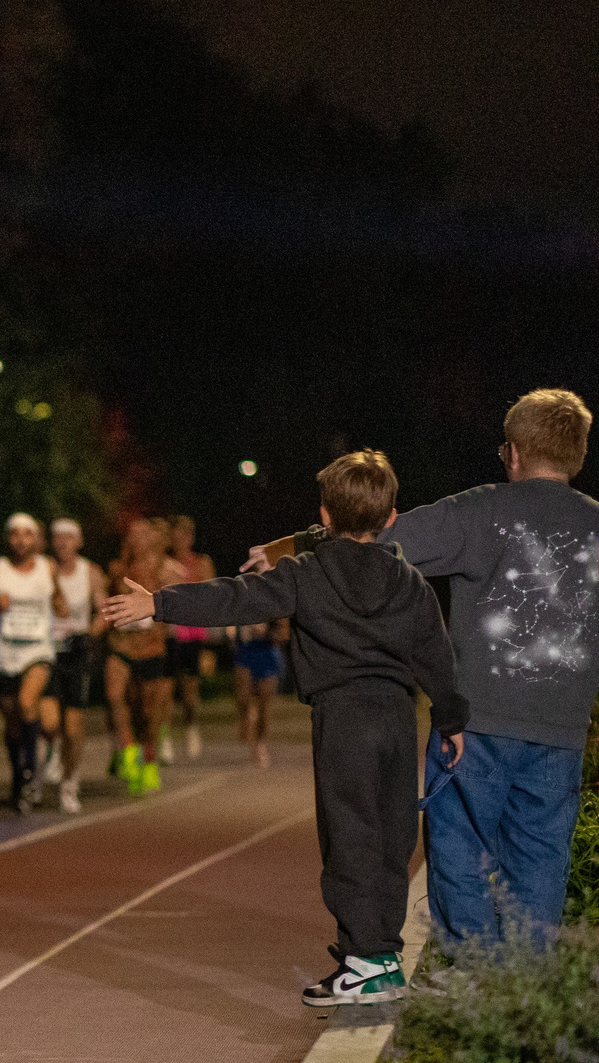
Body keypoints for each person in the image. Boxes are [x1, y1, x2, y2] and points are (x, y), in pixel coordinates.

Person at [106, 451, 466, 1005]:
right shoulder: (410, 581)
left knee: (348, 835)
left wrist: (159, 603)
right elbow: (435, 653)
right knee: (393, 835)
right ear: (393, 516)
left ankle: (363, 959)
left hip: (343, 717)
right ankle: (383, 956)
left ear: (323, 515)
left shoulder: (306, 573)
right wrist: (450, 717)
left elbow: (237, 597)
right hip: (396, 718)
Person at [245, 388, 598, 946]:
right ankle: (522, 995)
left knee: (459, 856)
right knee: (541, 866)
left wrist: (286, 547)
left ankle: (471, 990)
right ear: (577, 453)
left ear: (511, 452)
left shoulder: (478, 510)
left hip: (476, 726)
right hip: (562, 730)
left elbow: (367, 536)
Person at [0, 513, 65, 813]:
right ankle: (18, 774)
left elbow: (59, 602)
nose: (20, 540)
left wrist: (61, 607)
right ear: (8, 538)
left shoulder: (47, 567)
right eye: (15, 534)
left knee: (27, 703)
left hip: (37, 651)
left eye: (27, 534)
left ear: (36, 538)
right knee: (13, 723)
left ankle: (30, 774)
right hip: (4, 653)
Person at [38, 517, 109, 815]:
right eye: (59, 538)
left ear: (79, 542)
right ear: (53, 542)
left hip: (77, 652)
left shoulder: (90, 572)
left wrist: (91, 632)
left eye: (70, 538)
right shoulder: (44, 569)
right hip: (47, 650)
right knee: (49, 722)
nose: (64, 543)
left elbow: (104, 609)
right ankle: (52, 752)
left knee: (73, 726)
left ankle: (70, 783)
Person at [103, 516, 174, 795]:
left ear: (152, 539)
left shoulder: (164, 569)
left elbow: (179, 599)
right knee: (114, 696)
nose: (137, 539)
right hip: (121, 645)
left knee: (147, 712)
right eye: (132, 534)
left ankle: (149, 757)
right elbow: (106, 601)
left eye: (143, 534)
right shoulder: (117, 568)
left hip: (151, 648)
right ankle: (128, 751)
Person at [164, 516, 219, 760]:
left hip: (192, 634)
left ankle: (191, 727)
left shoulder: (201, 563)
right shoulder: (163, 563)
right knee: (165, 689)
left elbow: (208, 594)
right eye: (176, 535)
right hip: (168, 634)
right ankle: (163, 737)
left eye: (185, 535)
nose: (180, 540)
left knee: (189, 691)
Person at [231, 617, 287, 769]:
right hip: (245, 652)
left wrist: (268, 633)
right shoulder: (243, 600)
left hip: (266, 654)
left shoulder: (272, 603)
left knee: (264, 706)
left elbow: (282, 633)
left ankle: (260, 744)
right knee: (242, 696)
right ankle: (246, 716)